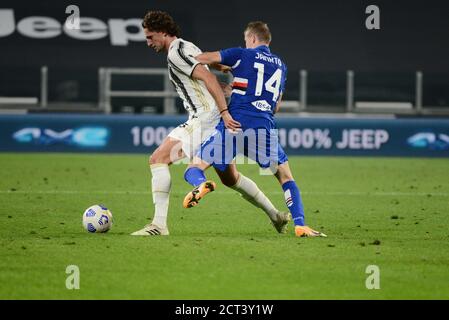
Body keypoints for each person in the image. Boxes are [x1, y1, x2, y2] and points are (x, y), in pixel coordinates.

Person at [132, 11, 289, 236]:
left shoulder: (176, 52)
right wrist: (227, 83)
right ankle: (276, 216)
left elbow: (208, 79)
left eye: (150, 37)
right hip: (215, 120)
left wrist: (224, 112)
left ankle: (158, 225)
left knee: (158, 159)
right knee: (231, 178)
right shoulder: (188, 47)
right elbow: (213, 74)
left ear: (164, 33)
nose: (148, 42)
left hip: (205, 118)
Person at [182, 21, 326, 237]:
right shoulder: (281, 66)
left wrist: (220, 66)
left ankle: (201, 184)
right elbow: (276, 106)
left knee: (194, 167)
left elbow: (200, 59)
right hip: (263, 127)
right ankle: (300, 224)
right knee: (286, 177)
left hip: (234, 123)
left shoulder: (241, 54)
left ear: (251, 39)